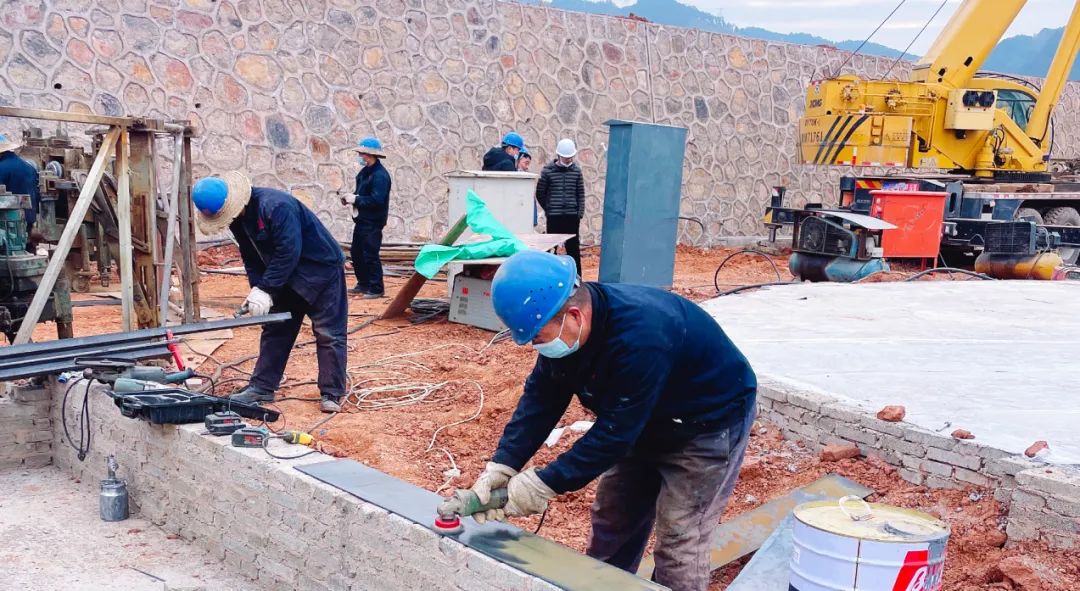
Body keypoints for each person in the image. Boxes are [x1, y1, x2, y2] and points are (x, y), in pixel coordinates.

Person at [470, 250, 757, 591]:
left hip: (705, 425)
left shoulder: (643, 335)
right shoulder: (567, 332)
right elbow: (542, 398)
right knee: (614, 521)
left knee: (680, 539)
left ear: (574, 315)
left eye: (538, 337)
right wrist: (503, 464)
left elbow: (615, 434)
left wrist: (542, 484)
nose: (536, 346)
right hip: (643, 419)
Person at [192, 172, 347, 413]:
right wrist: (257, 289)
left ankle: (331, 392)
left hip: (320, 271)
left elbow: (289, 251)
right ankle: (262, 387)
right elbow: (251, 256)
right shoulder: (237, 219)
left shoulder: (276, 207)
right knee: (276, 329)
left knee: (329, 333)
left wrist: (266, 288)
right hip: (283, 275)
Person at [344, 137, 392, 298]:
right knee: (357, 253)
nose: (359, 156)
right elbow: (362, 194)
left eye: (361, 153)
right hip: (362, 220)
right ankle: (363, 284)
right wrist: (350, 198)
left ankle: (377, 288)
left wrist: (356, 199)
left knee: (370, 254)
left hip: (373, 221)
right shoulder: (365, 172)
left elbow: (377, 200)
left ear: (369, 154)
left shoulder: (380, 176)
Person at [536, 139, 585, 272]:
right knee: (551, 249)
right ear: (559, 155)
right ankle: (549, 275)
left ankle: (577, 276)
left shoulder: (577, 172)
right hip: (554, 217)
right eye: (566, 157)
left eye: (571, 157)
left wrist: (579, 213)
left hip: (572, 217)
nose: (569, 160)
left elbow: (580, 193)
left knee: (573, 249)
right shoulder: (547, 171)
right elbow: (540, 193)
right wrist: (549, 208)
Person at [0, 133, 40, 233]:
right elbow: (37, 194)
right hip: (28, 219)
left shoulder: (1, 168)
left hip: (8, 222)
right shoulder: (29, 167)